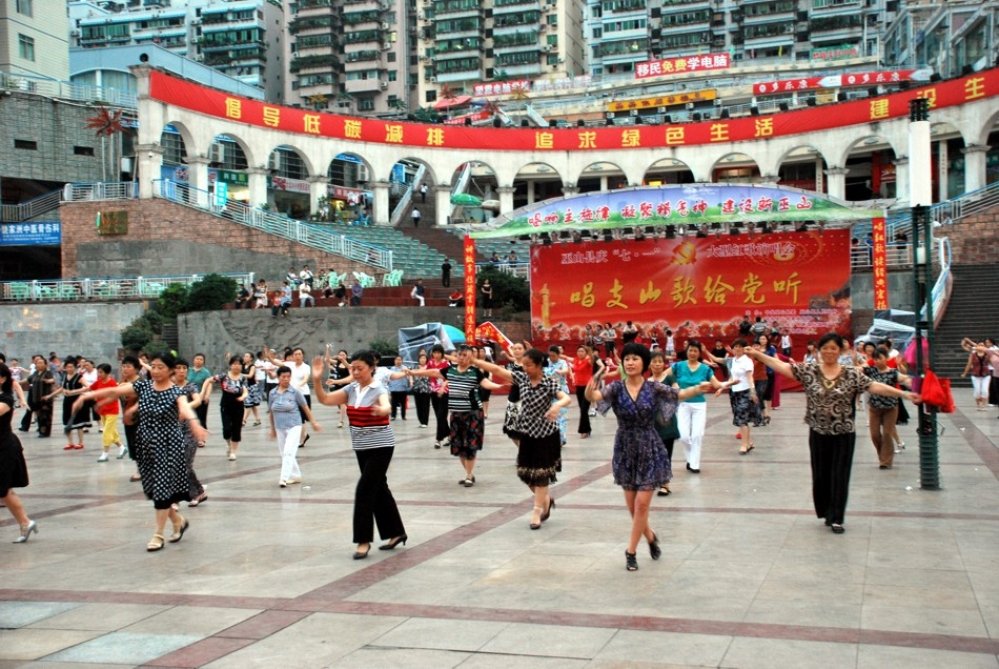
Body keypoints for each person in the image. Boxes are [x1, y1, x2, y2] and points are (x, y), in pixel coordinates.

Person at [747, 333, 920, 534]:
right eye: (825, 348)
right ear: (819, 350)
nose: (829, 351)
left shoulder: (851, 373)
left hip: (843, 432)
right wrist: (759, 356)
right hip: (818, 431)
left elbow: (873, 386)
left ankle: (837, 517)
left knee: (840, 474)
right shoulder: (809, 370)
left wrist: (903, 393)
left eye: (833, 348)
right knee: (821, 475)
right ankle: (825, 510)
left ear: (841, 351)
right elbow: (782, 367)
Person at [585, 343, 712, 571]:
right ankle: (651, 536)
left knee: (642, 505)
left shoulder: (653, 388)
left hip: (649, 446)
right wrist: (593, 381)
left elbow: (679, 394)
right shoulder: (615, 388)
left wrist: (698, 388)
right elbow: (593, 396)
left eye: (635, 359)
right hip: (625, 448)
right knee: (633, 508)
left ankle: (630, 551)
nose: (630, 362)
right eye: (627, 359)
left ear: (643, 363)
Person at [76, 352, 205, 551]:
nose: (155, 370)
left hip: (169, 446)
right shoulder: (144, 386)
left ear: (170, 370)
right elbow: (117, 390)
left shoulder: (175, 392)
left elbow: (185, 408)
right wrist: (89, 395)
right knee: (154, 490)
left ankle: (158, 535)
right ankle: (178, 521)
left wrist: (194, 423)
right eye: (153, 366)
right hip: (146, 445)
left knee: (162, 489)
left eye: (161, 367)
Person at [311, 351, 407, 559]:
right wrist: (317, 380)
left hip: (381, 446)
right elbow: (325, 399)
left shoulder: (378, 388)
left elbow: (386, 404)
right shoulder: (351, 389)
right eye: (352, 368)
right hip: (361, 446)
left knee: (364, 490)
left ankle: (363, 541)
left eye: (359, 368)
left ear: (371, 368)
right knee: (379, 488)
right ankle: (396, 532)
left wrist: (384, 410)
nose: (354, 372)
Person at [470, 349, 570, 529]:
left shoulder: (548, 382)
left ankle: (537, 511)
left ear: (539, 365)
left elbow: (565, 398)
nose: (525, 368)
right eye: (523, 365)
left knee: (541, 474)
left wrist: (557, 407)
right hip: (527, 433)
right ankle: (546, 499)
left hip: (546, 435)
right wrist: (476, 362)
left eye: (529, 365)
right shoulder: (522, 378)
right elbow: (498, 370)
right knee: (526, 474)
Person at [408, 344, 500, 486]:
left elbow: (486, 384)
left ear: (470, 357)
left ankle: (469, 475)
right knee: (458, 446)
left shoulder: (475, 372)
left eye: (465, 356)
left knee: (470, 446)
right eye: (460, 355)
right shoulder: (449, 370)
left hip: (473, 413)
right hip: (456, 414)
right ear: (456, 357)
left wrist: (501, 386)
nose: (462, 358)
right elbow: (432, 372)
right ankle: (469, 473)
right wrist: (414, 373)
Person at [673, 341, 730, 474]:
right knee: (683, 435)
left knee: (697, 435)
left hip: (699, 405)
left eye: (695, 351)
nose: (692, 353)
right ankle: (690, 459)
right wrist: (674, 386)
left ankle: (694, 464)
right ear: (687, 351)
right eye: (690, 350)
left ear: (699, 353)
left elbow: (716, 384)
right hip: (683, 404)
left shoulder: (705, 369)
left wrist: (729, 383)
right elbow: (668, 377)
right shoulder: (678, 366)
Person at [1, 363, 37, 543]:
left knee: (4, 490)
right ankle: (25, 522)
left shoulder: (6, 399)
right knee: (4, 490)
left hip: (4, 448)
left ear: (2, 378)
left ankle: (25, 521)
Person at [269, 365, 319, 487]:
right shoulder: (272, 393)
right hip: (280, 426)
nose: (286, 379)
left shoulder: (295, 392)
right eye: (283, 377)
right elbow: (271, 411)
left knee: (288, 452)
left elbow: (305, 407)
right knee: (284, 453)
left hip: (294, 425)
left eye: (288, 377)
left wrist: (313, 422)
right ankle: (296, 475)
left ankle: (283, 478)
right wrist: (272, 428)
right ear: (278, 377)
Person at [862, 348, 911, 469]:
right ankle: (883, 455)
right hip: (874, 408)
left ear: (886, 358)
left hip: (890, 408)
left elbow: (904, 378)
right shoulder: (870, 371)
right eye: (875, 358)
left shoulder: (893, 372)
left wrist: (912, 383)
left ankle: (885, 461)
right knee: (874, 435)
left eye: (880, 358)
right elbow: (858, 369)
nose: (877, 361)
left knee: (887, 434)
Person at [172, 359, 208, 507]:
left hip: (189, 431)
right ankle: (198, 492)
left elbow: (197, 400)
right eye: (178, 368)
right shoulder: (169, 387)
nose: (181, 371)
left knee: (185, 464)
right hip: (172, 431)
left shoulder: (190, 386)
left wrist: (184, 407)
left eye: (184, 368)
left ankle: (181, 496)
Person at [200, 356, 249, 461]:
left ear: (242, 366)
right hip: (226, 405)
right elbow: (208, 380)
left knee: (236, 429)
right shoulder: (224, 376)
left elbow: (245, 391)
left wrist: (243, 396)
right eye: (234, 364)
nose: (236, 366)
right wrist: (202, 392)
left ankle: (233, 452)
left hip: (238, 406)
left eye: (239, 364)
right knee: (226, 429)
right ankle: (229, 444)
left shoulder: (243, 378)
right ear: (230, 365)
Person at [90, 363, 126, 462]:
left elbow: (115, 396)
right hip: (102, 412)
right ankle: (122, 447)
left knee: (106, 432)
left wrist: (101, 403)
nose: (99, 374)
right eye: (98, 372)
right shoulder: (98, 382)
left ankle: (105, 453)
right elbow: (88, 388)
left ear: (107, 373)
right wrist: (74, 392)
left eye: (101, 372)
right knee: (112, 432)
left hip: (112, 412)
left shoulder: (112, 383)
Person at [53, 358, 91, 451]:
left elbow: (89, 387)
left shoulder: (79, 377)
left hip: (77, 401)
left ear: (75, 367)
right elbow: (62, 388)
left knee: (78, 422)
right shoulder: (65, 376)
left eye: (71, 367)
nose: (69, 368)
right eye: (67, 367)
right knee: (67, 421)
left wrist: (74, 391)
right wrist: (51, 395)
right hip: (67, 402)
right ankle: (70, 442)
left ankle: (80, 442)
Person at [728, 339, 757, 454]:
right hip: (734, 392)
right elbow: (732, 377)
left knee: (742, 419)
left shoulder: (747, 361)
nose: (737, 349)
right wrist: (722, 387)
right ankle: (749, 442)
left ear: (744, 349)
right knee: (740, 418)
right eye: (735, 347)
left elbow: (750, 377)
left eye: (740, 347)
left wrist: (752, 391)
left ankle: (744, 445)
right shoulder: (734, 360)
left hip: (745, 392)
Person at [570, 345, 602, 440]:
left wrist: (596, 375)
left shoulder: (588, 360)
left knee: (584, 409)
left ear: (586, 352)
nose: (580, 353)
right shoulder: (576, 360)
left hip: (587, 387)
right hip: (578, 386)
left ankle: (583, 431)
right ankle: (587, 429)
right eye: (578, 351)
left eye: (582, 351)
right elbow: (565, 357)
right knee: (582, 409)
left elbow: (601, 366)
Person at [962, 341, 994, 411]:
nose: (981, 346)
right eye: (979, 345)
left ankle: (983, 405)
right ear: (977, 346)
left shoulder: (988, 354)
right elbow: (969, 364)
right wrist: (964, 373)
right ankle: (978, 404)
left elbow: (993, 362)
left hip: (986, 374)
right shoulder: (973, 355)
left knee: (985, 390)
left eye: (983, 345)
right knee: (977, 391)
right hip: (975, 374)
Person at [187, 354, 212, 429]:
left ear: (203, 361)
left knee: (201, 419)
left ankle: (202, 437)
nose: (198, 361)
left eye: (201, 359)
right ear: (193, 360)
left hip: (201, 398)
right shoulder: (188, 370)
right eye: (197, 359)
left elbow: (209, 384)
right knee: (190, 418)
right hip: (188, 398)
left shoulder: (206, 372)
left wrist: (207, 395)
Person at [410, 352, 432, 428]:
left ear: (426, 359)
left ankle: (425, 422)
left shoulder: (429, 367)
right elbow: (411, 374)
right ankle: (421, 420)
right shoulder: (415, 367)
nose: (422, 360)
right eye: (421, 358)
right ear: (418, 359)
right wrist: (411, 381)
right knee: (418, 405)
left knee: (425, 405)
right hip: (417, 388)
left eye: (424, 358)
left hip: (426, 388)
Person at [387, 355, 411, 420]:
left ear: (402, 361)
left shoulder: (405, 368)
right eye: (397, 360)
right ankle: (393, 416)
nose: (398, 361)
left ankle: (403, 416)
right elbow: (389, 379)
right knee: (393, 404)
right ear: (394, 361)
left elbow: (409, 377)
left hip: (403, 389)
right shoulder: (392, 369)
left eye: (400, 360)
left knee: (403, 404)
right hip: (394, 389)